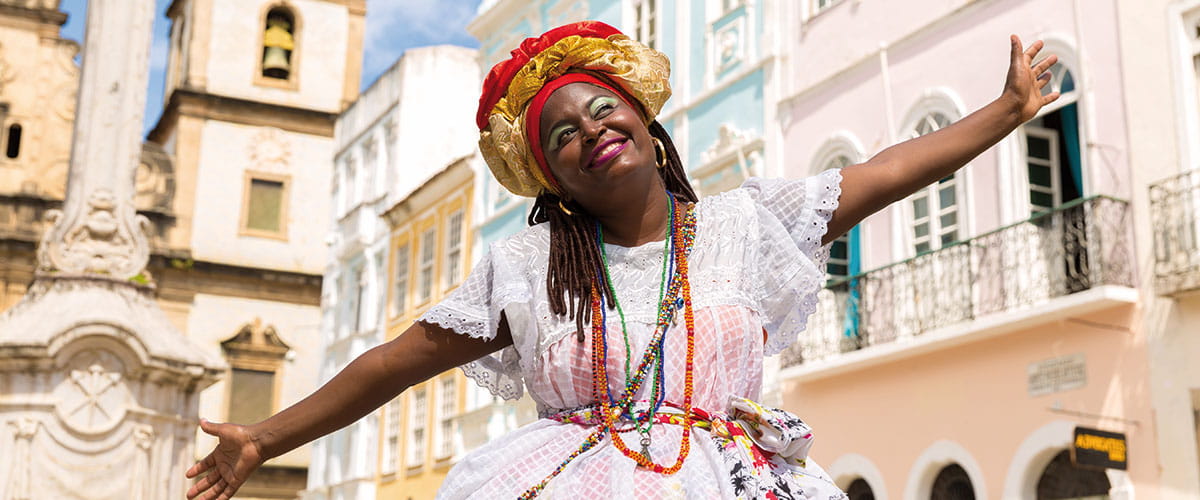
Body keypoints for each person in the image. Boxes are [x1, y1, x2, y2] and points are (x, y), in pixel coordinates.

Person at [186, 21, 1059, 500]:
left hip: (731, 481)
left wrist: (1006, 109)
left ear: (645, 121)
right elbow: (392, 365)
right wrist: (262, 438)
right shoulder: (527, 266)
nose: (590, 132)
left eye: (602, 110)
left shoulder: (747, 223)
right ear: (552, 177)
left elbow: (888, 173)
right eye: (561, 135)